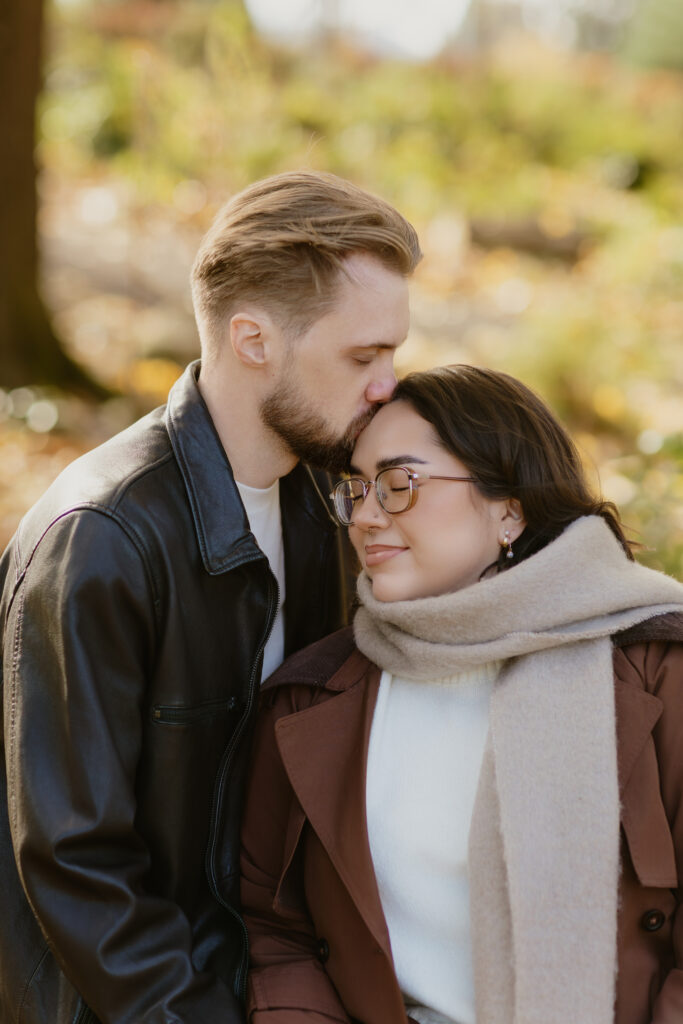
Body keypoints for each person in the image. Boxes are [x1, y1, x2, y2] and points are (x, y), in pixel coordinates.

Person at [0, 171, 420, 1024]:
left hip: (264, 981)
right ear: (253, 338)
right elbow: (78, 866)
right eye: (362, 356)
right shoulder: (103, 539)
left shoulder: (319, 504)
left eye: (392, 353)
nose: (387, 385)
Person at [240, 364, 683, 1024]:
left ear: (509, 508)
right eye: (356, 488)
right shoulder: (309, 700)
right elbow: (279, 934)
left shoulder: (653, 664)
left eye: (398, 484)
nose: (364, 515)